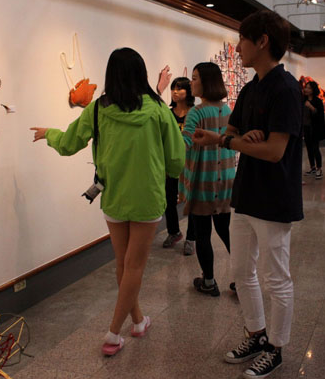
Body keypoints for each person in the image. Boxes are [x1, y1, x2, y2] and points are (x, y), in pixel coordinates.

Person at [30, 47, 185, 355]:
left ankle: (138, 321)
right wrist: (166, 171)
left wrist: (49, 133)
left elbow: (69, 143)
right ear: (142, 73)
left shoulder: (97, 109)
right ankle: (113, 332)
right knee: (134, 265)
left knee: (123, 263)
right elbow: (176, 159)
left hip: (113, 195)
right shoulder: (158, 109)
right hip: (148, 197)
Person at [192, 10, 303, 379]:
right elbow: (233, 130)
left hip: (275, 196)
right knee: (241, 271)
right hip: (245, 193)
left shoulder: (285, 89)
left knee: (277, 278)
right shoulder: (252, 88)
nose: (237, 48)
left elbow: (273, 151)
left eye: (242, 39)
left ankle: (276, 348)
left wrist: (233, 141)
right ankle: (256, 334)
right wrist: (240, 138)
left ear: (262, 41)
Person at [179, 62, 235, 297]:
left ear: (206, 82)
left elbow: (184, 143)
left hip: (203, 180)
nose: (191, 83)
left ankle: (209, 282)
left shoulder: (197, 112)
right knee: (225, 230)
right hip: (225, 180)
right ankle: (243, 279)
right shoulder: (226, 109)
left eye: (194, 78)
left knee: (202, 233)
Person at [161, 77, 197, 255]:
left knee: (191, 201)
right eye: (173, 88)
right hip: (172, 164)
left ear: (188, 91)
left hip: (190, 164)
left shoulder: (195, 113)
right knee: (169, 199)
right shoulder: (168, 114)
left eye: (179, 88)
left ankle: (191, 237)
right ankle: (174, 232)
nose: (175, 92)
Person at [301, 80, 325, 180]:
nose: (306, 89)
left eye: (309, 88)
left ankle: (319, 168)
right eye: (306, 87)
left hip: (314, 128)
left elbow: (319, 115)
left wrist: (310, 107)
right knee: (309, 148)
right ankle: (312, 167)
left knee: (315, 148)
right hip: (306, 127)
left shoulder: (317, 101)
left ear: (313, 90)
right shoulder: (303, 100)